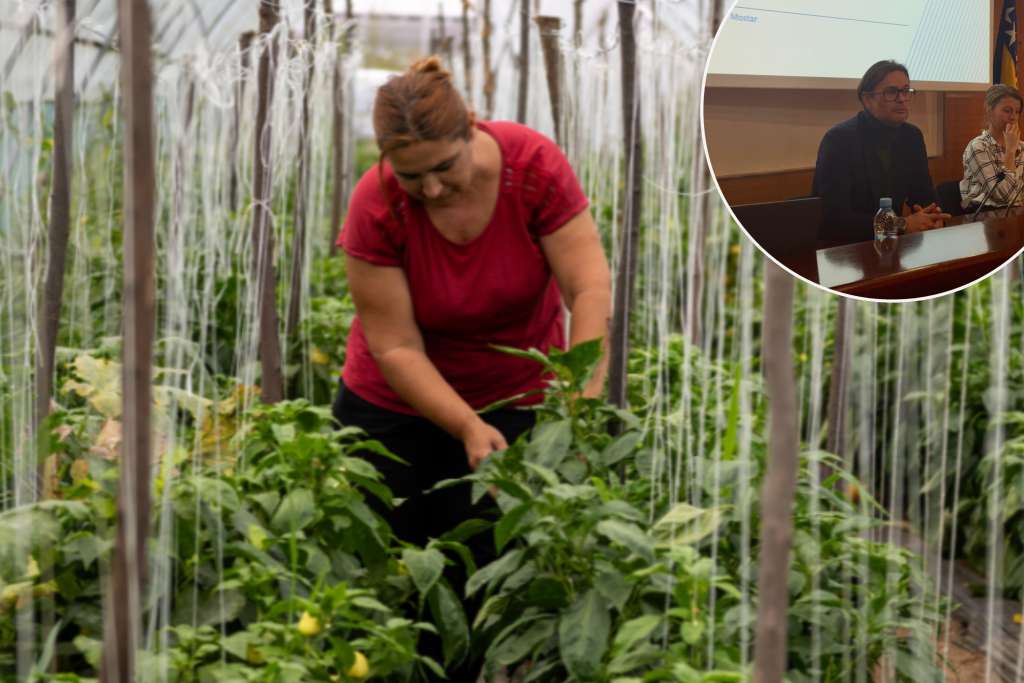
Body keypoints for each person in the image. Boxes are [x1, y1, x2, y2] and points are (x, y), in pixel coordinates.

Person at [331, 56, 611, 681]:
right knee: (389, 575)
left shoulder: (532, 167)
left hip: (515, 396)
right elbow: (396, 346)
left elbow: (588, 289)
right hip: (393, 410)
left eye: (443, 167)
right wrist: (462, 425)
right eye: (411, 176)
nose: (430, 188)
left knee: (485, 575)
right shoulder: (375, 205)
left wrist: (581, 400)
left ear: (473, 130)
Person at [811, 60, 950, 245]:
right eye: (891, 92)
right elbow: (833, 218)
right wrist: (900, 224)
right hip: (847, 251)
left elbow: (924, 194)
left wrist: (934, 217)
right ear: (867, 99)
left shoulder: (912, 136)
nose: (901, 99)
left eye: (906, 91)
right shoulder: (838, 140)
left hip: (894, 246)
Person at [960, 84, 1024, 211]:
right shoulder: (978, 146)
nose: (1013, 117)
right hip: (982, 217)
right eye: (1007, 110)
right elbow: (1004, 196)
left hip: (1016, 214)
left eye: (1017, 112)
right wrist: (1010, 152)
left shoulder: (1022, 147)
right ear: (989, 110)